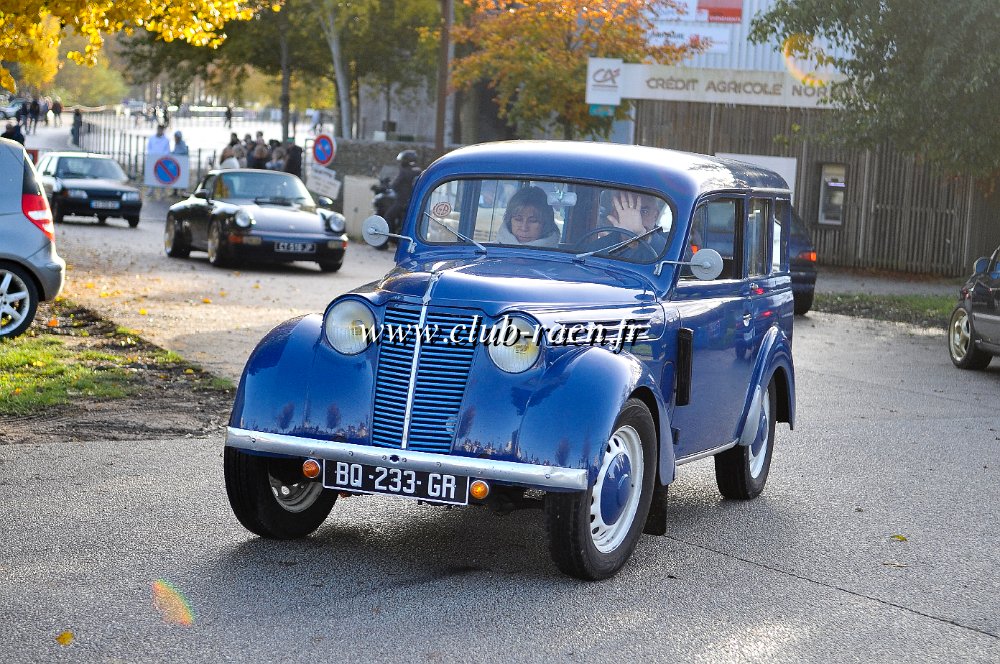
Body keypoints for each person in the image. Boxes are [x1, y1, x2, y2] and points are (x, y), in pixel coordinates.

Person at [496, 186, 560, 247]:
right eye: (518, 219)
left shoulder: (559, 254)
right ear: (509, 221)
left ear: (545, 224)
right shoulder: (491, 250)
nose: (524, 228)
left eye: (533, 221)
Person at [384, 150, 422, 234]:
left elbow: (395, 185)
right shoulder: (418, 171)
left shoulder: (404, 171)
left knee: (388, 216)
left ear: (406, 160)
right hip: (413, 201)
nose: (400, 163)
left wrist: (387, 186)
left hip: (402, 201)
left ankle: (390, 236)